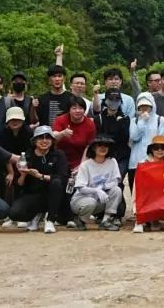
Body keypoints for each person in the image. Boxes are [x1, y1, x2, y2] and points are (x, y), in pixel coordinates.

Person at [7, 126, 68, 234]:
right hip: (33, 194)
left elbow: (63, 178)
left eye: (48, 138)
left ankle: (50, 220)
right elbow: (19, 184)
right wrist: (23, 175)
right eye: (40, 138)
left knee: (56, 182)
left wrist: (40, 176)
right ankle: (36, 215)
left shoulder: (59, 155)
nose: (44, 141)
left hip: (54, 194)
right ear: (34, 141)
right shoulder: (27, 156)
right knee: (14, 213)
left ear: (52, 141)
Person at [70, 135, 123, 231]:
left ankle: (106, 221)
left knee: (117, 190)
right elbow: (80, 187)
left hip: (101, 200)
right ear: (93, 148)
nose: (103, 148)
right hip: (82, 200)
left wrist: (103, 189)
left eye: (106, 146)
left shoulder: (112, 161)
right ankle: (80, 220)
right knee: (91, 202)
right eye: (99, 145)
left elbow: (116, 181)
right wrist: (96, 191)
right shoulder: (86, 165)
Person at [93, 90, 131, 221]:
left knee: (117, 182)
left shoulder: (125, 118)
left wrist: (119, 122)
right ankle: (100, 213)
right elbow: (98, 136)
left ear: (120, 101)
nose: (113, 102)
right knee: (101, 182)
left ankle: (117, 214)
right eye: (111, 99)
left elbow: (125, 137)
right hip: (103, 156)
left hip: (121, 156)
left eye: (117, 99)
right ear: (105, 100)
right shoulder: (98, 118)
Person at [0, 107, 32, 219]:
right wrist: (10, 172)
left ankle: (24, 211)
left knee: (24, 182)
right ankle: (4, 212)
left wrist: (23, 172)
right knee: (6, 181)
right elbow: (4, 154)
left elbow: (29, 153)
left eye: (18, 119)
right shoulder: (2, 133)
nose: (15, 122)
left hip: (25, 162)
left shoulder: (29, 132)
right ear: (7, 120)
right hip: (5, 163)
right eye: (12, 119)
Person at [52, 96, 97, 171]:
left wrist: (81, 167)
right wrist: (62, 133)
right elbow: (52, 137)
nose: (78, 111)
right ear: (69, 110)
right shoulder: (60, 119)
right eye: (74, 108)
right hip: (59, 159)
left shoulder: (90, 124)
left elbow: (89, 147)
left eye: (81, 108)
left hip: (80, 161)